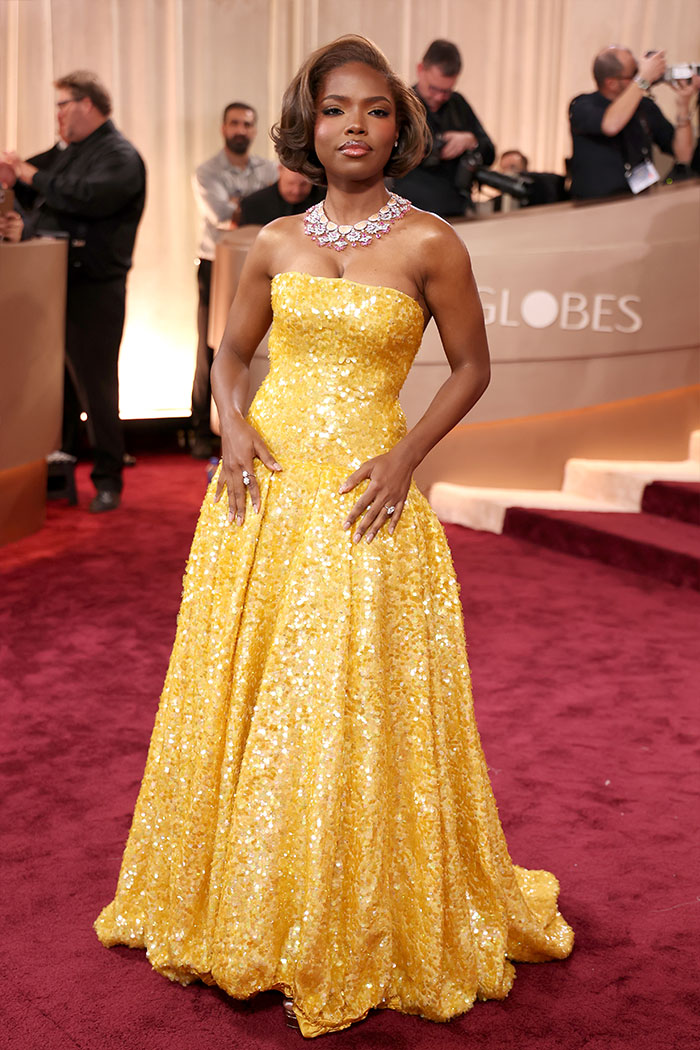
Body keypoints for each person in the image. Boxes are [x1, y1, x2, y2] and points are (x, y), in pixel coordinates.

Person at [95, 35, 573, 1038]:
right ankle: (248, 902)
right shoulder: (271, 239)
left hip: (366, 501)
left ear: (399, 126)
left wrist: (405, 461)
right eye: (334, 110)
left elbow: (470, 368)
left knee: (351, 704)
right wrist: (228, 423)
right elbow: (229, 362)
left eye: (373, 110)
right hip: (260, 504)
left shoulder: (433, 242)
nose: (353, 126)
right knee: (255, 700)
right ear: (306, 126)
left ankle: (345, 914)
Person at [3, 72, 145, 512]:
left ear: (88, 104)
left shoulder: (120, 155)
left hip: (95, 289)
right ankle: (57, 473)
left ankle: (109, 480)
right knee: (55, 386)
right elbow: (46, 194)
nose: (58, 114)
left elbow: (85, 198)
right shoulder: (71, 153)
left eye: (63, 104)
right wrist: (18, 183)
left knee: (96, 388)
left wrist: (28, 175)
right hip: (57, 284)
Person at [190, 102, 277, 458]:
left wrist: (247, 206)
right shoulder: (206, 171)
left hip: (261, 264)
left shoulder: (268, 168)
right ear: (224, 128)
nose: (241, 129)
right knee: (211, 347)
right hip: (218, 265)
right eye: (235, 123)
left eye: (247, 124)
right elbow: (225, 217)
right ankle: (199, 431)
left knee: (258, 345)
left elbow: (268, 211)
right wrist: (254, 206)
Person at [569, 46, 699, 200]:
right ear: (611, 83)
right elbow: (611, 125)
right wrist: (644, 78)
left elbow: (683, 154)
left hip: (639, 202)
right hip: (593, 207)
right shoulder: (582, 105)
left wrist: (683, 105)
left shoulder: (645, 106)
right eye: (634, 74)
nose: (639, 77)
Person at [393, 38, 495, 216]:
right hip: (413, 212)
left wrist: (471, 141)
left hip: (459, 210)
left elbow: (490, 152)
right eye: (433, 89)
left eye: (446, 91)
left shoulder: (458, 103)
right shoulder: (402, 105)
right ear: (420, 70)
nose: (439, 97)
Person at [238, 163, 325, 226]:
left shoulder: (325, 201)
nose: (296, 191)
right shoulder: (252, 205)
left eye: (303, 185)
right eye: (290, 183)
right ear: (280, 170)